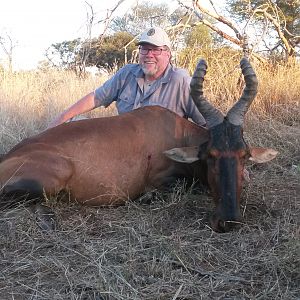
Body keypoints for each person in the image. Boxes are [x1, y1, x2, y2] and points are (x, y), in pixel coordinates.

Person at [48, 27, 205, 128]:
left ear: (168, 54)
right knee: (72, 125)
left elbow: (206, 123)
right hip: (123, 146)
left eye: (156, 50)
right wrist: (61, 118)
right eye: (144, 49)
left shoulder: (181, 81)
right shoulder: (127, 73)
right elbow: (96, 97)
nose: (149, 55)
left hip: (159, 158)